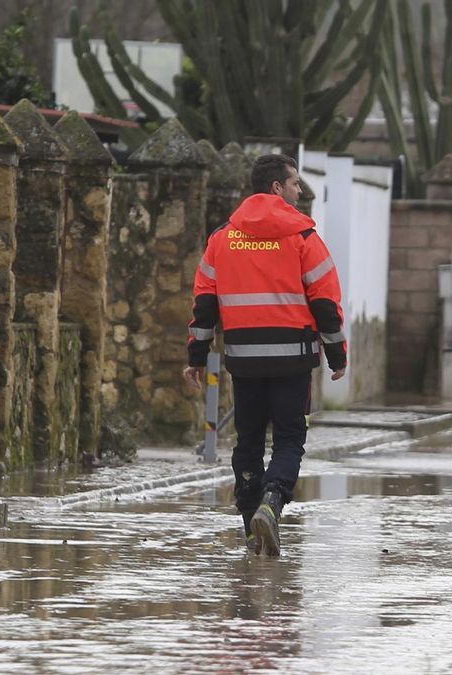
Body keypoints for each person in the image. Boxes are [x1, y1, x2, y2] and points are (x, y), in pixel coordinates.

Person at [183, 154, 347, 557]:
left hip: (244, 360)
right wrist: (337, 354)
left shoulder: (223, 237)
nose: (299, 191)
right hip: (293, 358)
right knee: (289, 439)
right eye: (295, 184)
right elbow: (325, 301)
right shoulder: (303, 235)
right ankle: (272, 502)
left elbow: (204, 304)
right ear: (277, 187)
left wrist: (197, 356)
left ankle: (250, 525)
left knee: (249, 440)